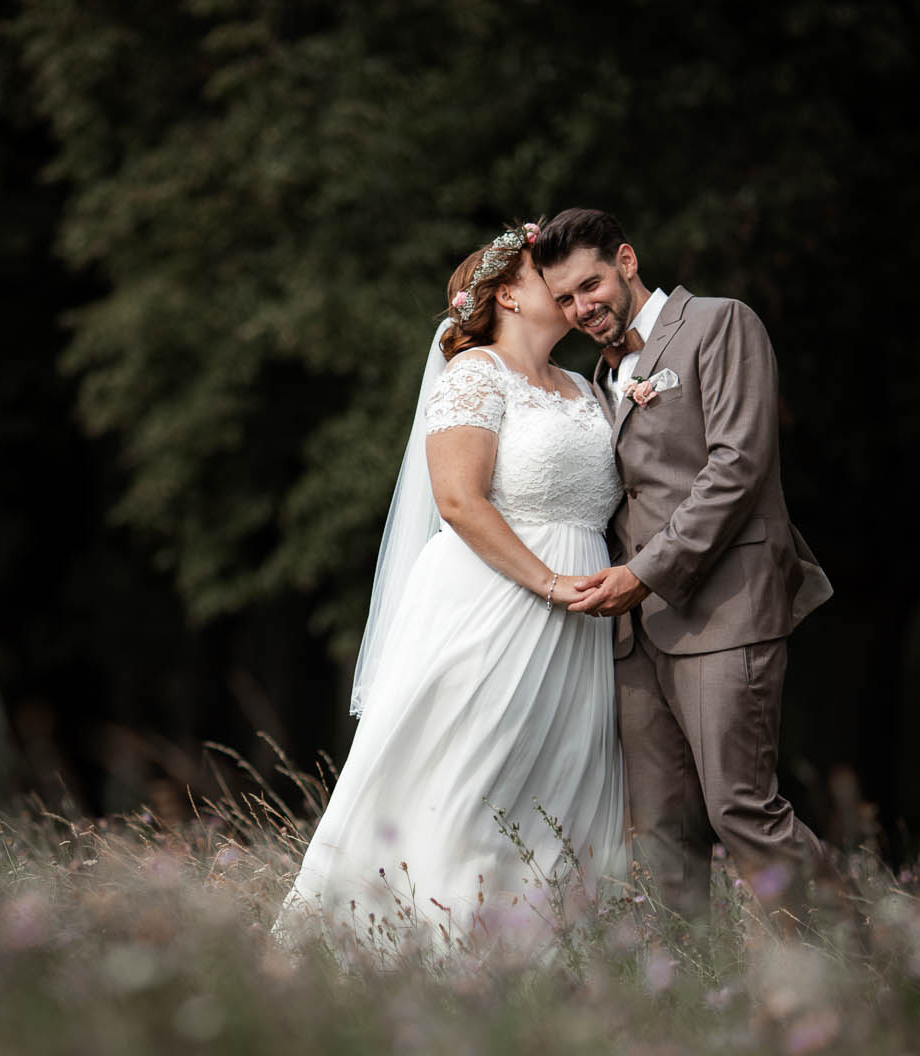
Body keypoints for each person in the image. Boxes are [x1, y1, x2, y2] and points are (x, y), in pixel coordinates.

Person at [273, 224, 628, 965]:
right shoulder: (475, 375)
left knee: (555, 792)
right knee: (468, 781)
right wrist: (552, 582)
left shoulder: (587, 387)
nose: (567, 288)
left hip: (582, 621)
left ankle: (538, 967)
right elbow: (460, 503)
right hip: (495, 601)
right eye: (547, 274)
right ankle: (423, 956)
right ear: (507, 293)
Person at [530, 208, 834, 931]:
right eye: (566, 299)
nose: (581, 308)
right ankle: (693, 1001)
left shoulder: (720, 324)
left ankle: (860, 972)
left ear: (627, 261)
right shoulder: (596, 378)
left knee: (742, 808)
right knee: (662, 833)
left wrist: (643, 573)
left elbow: (737, 467)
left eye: (591, 284)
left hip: (725, 609)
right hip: (634, 637)